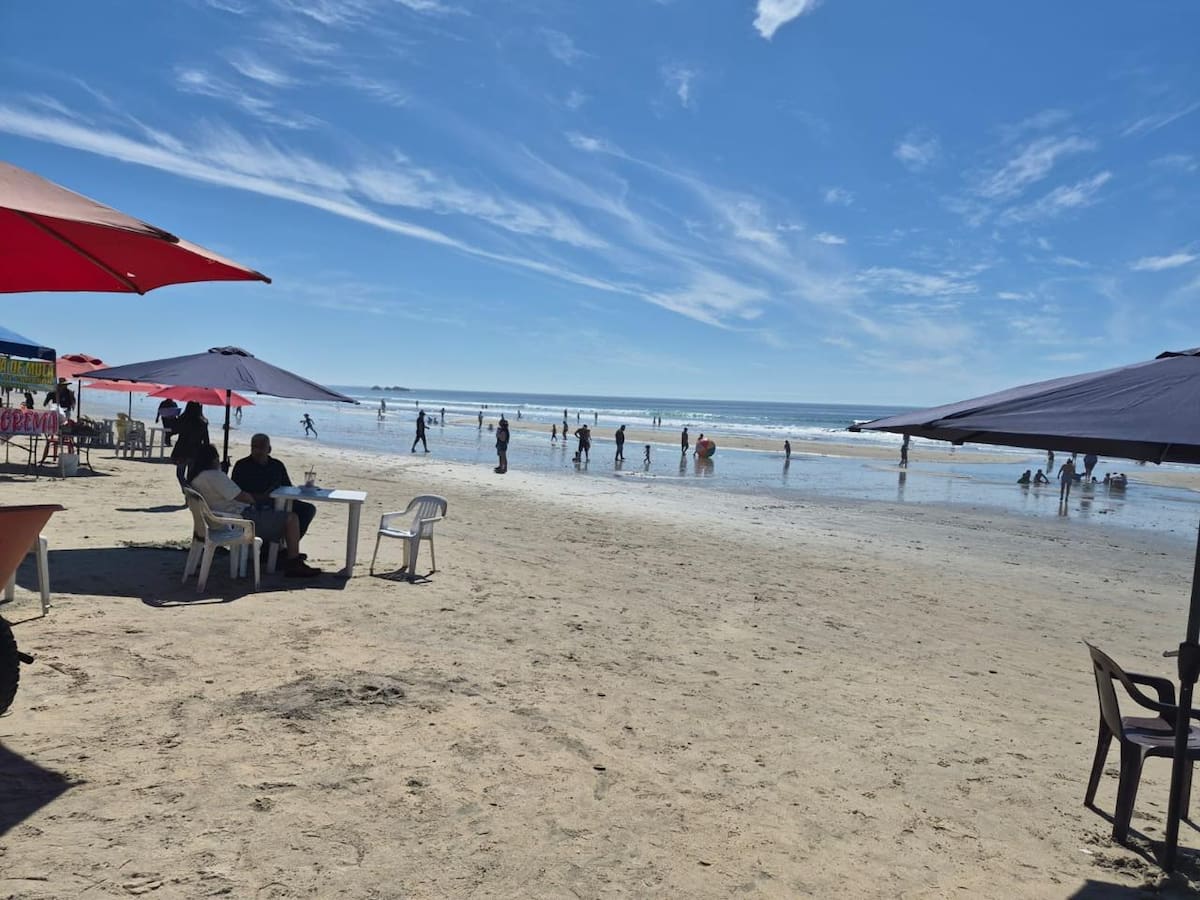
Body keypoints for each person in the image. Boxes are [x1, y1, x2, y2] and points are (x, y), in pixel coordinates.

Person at [189, 444, 320, 578]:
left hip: (218, 521)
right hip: (238, 520)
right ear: (214, 459)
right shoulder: (214, 476)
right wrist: (259, 497)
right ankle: (293, 561)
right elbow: (243, 497)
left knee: (279, 514)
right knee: (291, 518)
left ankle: (280, 554)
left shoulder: (197, 478)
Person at [232, 433, 317, 540]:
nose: (258, 451)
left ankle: (289, 544)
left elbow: (287, 488)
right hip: (253, 505)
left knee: (308, 509)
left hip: (279, 501)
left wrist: (304, 490)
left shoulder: (277, 465)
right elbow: (235, 493)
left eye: (261, 447)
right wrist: (262, 497)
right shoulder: (242, 465)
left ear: (269, 449)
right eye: (255, 447)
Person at [170, 401, 210, 488]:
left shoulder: (183, 419)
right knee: (191, 476)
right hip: (195, 451)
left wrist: (173, 419)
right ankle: (190, 493)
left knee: (180, 474)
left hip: (181, 450)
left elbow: (174, 430)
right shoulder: (202, 422)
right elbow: (206, 440)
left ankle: (186, 490)